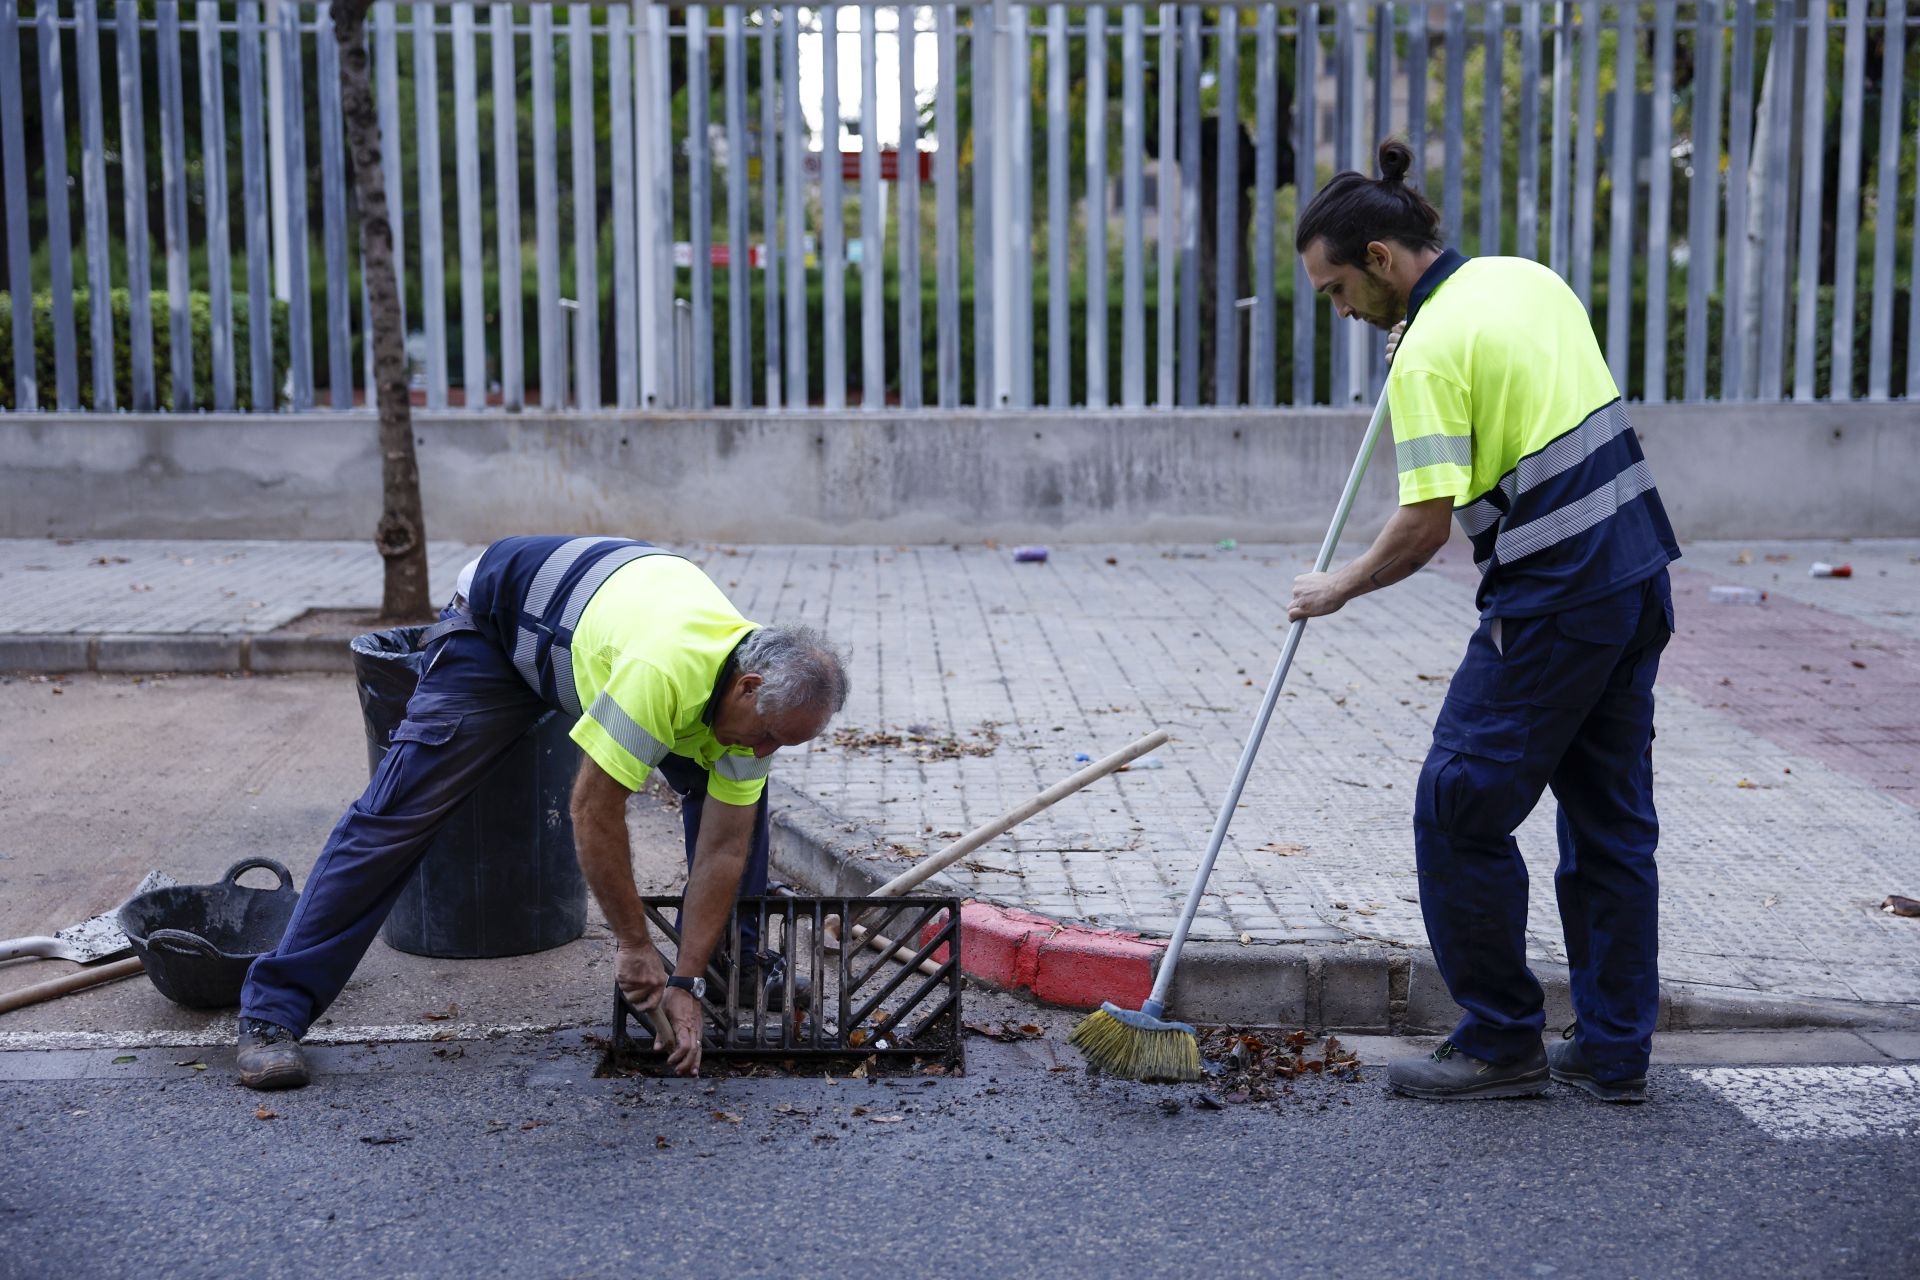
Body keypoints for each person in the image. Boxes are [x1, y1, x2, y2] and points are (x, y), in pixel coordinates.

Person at [1288, 139, 1679, 1103]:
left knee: (1458, 807)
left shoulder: (1427, 352)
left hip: (1554, 597)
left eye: (1336, 291)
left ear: (1380, 258)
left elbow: (1423, 529)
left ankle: (1502, 1039)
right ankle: (1615, 1050)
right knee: (1610, 822)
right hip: (1638, 574)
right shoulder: (1524, 280)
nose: (1339, 312)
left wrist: (1338, 585)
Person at [236, 536, 849, 1089]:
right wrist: (634, 944)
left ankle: (729, 970)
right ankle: (273, 1012)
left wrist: (683, 980)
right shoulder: (662, 672)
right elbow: (592, 810)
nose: (765, 752)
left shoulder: (766, 705)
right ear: (747, 686)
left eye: (782, 745)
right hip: (505, 626)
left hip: (611, 633)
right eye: (766, 736)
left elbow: (724, 849)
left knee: (742, 813)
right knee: (396, 814)